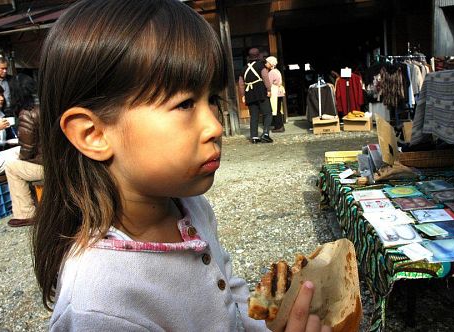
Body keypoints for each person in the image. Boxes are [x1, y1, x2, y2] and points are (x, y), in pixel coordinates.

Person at [32, 1, 331, 331]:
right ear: (94, 134)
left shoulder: (190, 208)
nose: (214, 126)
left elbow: (233, 297)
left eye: (212, 100)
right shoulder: (101, 307)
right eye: (185, 104)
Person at [5, 74, 42, 228]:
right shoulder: (47, 105)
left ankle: (25, 213)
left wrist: (22, 157)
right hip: (61, 161)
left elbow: (27, 149)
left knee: (11, 166)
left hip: (46, 167)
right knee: (14, 157)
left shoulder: (27, 113)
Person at [239, 48, 274, 144]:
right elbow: (265, 77)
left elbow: (241, 83)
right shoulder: (261, 66)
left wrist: (243, 95)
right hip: (261, 91)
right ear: (258, 56)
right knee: (268, 113)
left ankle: (254, 137)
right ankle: (265, 134)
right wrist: (269, 89)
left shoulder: (243, 68)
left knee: (254, 116)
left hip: (249, 93)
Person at [265, 56, 286, 133]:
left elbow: (269, 83)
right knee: (278, 109)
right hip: (279, 91)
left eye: (267, 62)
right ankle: (280, 126)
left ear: (271, 64)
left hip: (275, 91)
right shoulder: (277, 71)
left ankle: (278, 126)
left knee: (275, 110)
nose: (266, 64)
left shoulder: (272, 72)